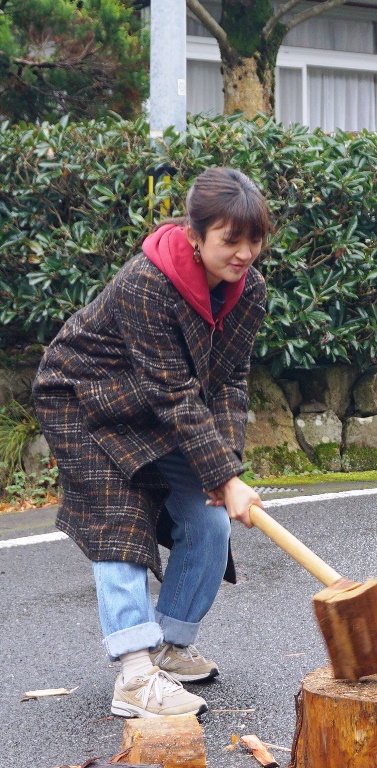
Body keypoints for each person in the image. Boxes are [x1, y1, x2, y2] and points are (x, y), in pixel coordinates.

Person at [32, 167, 270, 717]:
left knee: (210, 522)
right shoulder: (147, 282)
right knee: (121, 523)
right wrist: (225, 478)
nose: (244, 253)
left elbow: (230, 379)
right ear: (195, 234)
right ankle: (135, 678)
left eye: (253, 240)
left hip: (155, 407)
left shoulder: (249, 289)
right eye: (229, 240)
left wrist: (226, 470)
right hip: (85, 400)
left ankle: (167, 647)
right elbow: (175, 391)